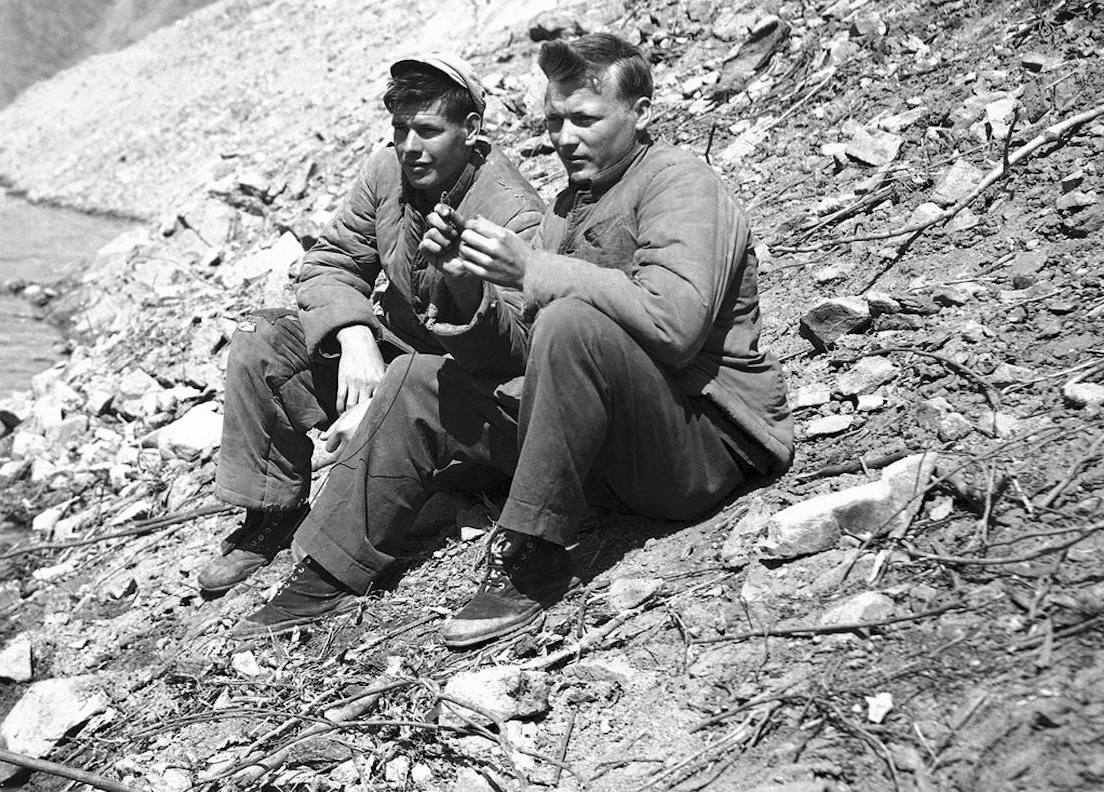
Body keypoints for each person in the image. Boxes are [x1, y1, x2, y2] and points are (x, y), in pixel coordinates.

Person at [232, 32, 792, 647]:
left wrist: (530, 270)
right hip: (613, 456)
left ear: (640, 113)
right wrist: (466, 289)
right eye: (555, 120)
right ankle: (327, 572)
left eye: (585, 119)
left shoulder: (680, 183)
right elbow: (521, 357)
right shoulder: (565, 207)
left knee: (570, 319)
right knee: (419, 379)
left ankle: (533, 553)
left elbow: (675, 324)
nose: (564, 138)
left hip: (704, 446)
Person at [197, 52, 545, 595]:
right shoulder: (387, 172)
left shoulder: (510, 212)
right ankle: (271, 514)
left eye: (428, 131)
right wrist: (355, 333)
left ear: (471, 129)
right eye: (400, 129)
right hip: (396, 357)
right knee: (261, 339)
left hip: (463, 393)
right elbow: (331, 260)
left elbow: (512, 352)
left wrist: (384, 404)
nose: (410, 146)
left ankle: (356, 542)